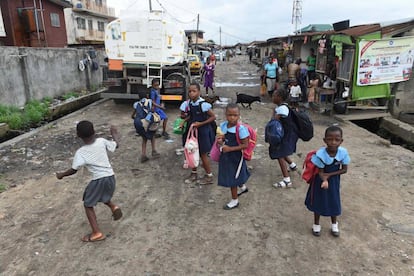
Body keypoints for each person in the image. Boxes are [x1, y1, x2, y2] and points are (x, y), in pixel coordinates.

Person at [55, 121, 122, 242]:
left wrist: (61, 175)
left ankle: (97, 233)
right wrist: (114, 133)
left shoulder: (81, 152)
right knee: (99, 195)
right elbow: (116, 145)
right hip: (110, 177)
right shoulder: (102, 141)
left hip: (98, 179)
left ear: (78, 135)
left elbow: (74, 170)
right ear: (94, 132)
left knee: (88, 203)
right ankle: (113, 206)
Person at [304, 125, 350, 237]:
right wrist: (325, 179)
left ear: (341, 141)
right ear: (325, 140)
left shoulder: (342, 153)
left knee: (333, 201)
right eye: (329, 139)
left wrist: (329, 175)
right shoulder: (321, 155)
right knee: (318, 202)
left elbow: (344, 170)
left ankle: (334, 224)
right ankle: (316, 224)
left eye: (337, 139)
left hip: (333, 182)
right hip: (320, 181)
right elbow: (320, 171)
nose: (333, 142)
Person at [180, 82, 216, 185]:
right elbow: (191, 116)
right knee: (191, 151)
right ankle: (194, 173)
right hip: (192, 131)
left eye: (194, 91)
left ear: (199, 92)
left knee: (202, 154)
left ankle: (209, 175)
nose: (191, 93)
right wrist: (184, 121)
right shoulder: (190, 104)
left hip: (203, 131)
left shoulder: (203, 104)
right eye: (190, 91)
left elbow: (213, 117)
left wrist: (201, 124)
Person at [216, 103, 250, 210]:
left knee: (232, 177)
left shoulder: (241, 129)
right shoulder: (223, 126)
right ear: (226, 115)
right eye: (229, 115)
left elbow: (245, 145)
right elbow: (222, 137)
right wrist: (221, 140)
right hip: (226, 156)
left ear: (239, 115)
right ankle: (242, 187)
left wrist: (230, 148)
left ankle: (235, 200)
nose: (232, 117)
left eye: (235, 115)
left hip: (235, 156)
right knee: (236, 174)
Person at [269, 88, 298, 188]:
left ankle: (287, 180)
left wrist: (274, 113)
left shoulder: (281, 109)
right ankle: (292, 165)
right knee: (282, 151)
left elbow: (273, 122)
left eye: (274, 96)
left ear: (280, 98)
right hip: (287, 134)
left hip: (284, 135)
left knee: (279, 154)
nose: (272, 97)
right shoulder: (284, 107)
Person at [131, 98, 160, 163]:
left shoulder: (137, 104)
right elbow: (151, 111)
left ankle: (143, 155)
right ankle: (154, 151)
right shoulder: (149, 101)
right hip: (145, 122)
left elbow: (132, 115)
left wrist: (136, 118)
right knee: (152, 135)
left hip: (137, 123)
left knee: (144, 138)